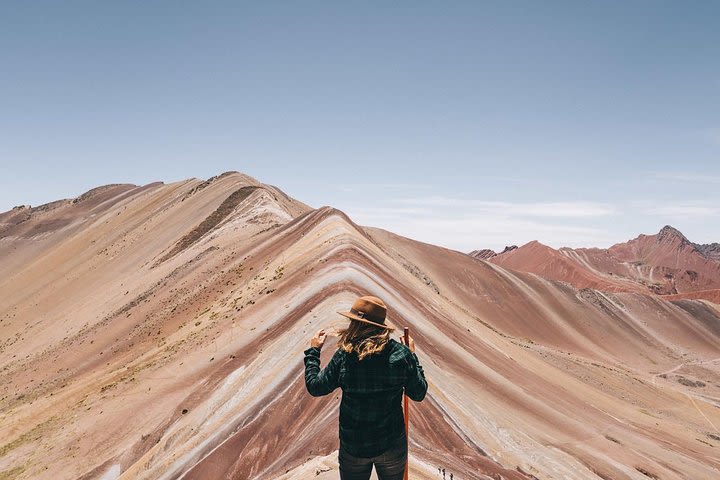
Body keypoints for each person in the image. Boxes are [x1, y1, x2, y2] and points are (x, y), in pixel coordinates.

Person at [303, 295, 428, 480]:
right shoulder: (401, 355)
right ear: (380, 327)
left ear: (356, 324)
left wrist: (314, 351)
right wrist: (412, 355)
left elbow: (315, 386)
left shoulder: (345, 356)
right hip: (391, 444)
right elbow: (418, 392)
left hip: (354, 446)